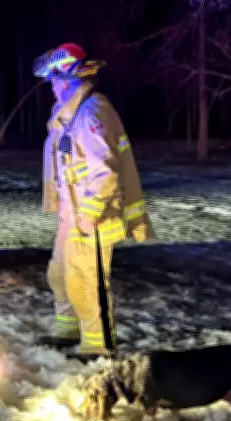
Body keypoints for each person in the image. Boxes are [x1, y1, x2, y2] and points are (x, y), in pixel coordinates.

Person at [32, 43, 154, 362]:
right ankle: (68, 329)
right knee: (59, 274)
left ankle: (98, 346)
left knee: (88, 281)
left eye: (56, 82)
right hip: (72, 214)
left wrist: (88, 216)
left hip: (92, 216)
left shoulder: (90, 113)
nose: (53, 88)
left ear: (70, 80)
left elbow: (106, 171)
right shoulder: (69, 114)